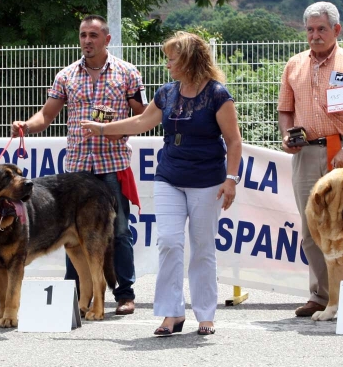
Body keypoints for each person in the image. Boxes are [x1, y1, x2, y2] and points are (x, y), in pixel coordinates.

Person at [81, 31, 242, 336]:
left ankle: (205, 314)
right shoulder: (166, 93)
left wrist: (231, 180)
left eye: (172, 58)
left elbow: (233, 141)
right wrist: (103, 128)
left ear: (190, 60)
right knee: (168, 242)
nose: (167, 64)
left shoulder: (218, 94)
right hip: (169, 177)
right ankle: (171, 314)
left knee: (203, 247)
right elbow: (142, 122)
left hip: (207, 181)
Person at [11, 15, 147, 316]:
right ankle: (70, 298)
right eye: (83, 35)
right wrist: (26, 126)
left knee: (120, 232)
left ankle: (125, 295)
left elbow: (143, 117)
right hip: (76, 171)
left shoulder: (128, 74)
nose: (87, 40)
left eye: (94, 35)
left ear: (107, 40)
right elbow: (45, 116)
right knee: (69, 234)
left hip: (113, 165)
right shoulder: (66, 76)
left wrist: (116, 127)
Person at [277, 1, 343, 318]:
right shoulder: (293, 65)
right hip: (306, 154)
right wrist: (287, 136)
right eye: (310, 29)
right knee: (314, 227)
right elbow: (285, 109)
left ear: (337, 30)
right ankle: (322, 297)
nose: (315, 35)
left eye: (321, 29)